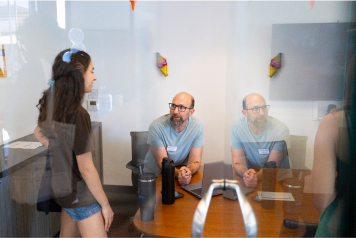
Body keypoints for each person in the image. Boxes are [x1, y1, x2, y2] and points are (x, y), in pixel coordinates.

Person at [34, 49, 114, 237]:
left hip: (63, 193)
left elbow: (38, 132)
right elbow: (86, 168)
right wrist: (105, 204)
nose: (94, 77)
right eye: (91, 71)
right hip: (81, 196)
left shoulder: (53, 105)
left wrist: (58, 148)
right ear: (79, 74)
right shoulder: (79, 114)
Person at [143, 92, 204, 186]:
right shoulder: (156, 126)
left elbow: (195, 159)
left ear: (191, 112)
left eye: (182, 107)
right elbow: (162, 163)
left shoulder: (197, 126)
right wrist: (179, 173)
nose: (175, 111)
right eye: (173, 106)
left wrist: (188, 171)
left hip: (181, 172)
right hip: (156, 175)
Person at [230, 93, 290, 188]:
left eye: (264, 108)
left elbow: (272, 167)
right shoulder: (237, 127)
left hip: (278, 180)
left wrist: (255, 177)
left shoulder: (280, 129)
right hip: (250, 177)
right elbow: (238, 161)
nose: (262, 113)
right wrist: (246, 174)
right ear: (245, 113)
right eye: (255, 109)